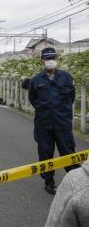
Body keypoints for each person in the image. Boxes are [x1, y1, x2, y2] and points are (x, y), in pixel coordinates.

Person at [28, 47, 80, 195]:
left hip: (62, 122)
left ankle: (77, 182)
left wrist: (61, 110)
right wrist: (44, 108)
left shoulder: (66, 77)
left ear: (56, 60)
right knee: (45, 153)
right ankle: (49, 181)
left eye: (52, 58)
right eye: (47, 59)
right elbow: (33, 99)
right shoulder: (36, 80)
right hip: (43, 124)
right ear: (41, 61)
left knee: (68, 152)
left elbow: (71, 96)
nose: (50, 61)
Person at [45, 160, 89, 226]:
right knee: (46, 153)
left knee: (67, 151)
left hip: (77, 182)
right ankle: (49, 180)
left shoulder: (74, 184)